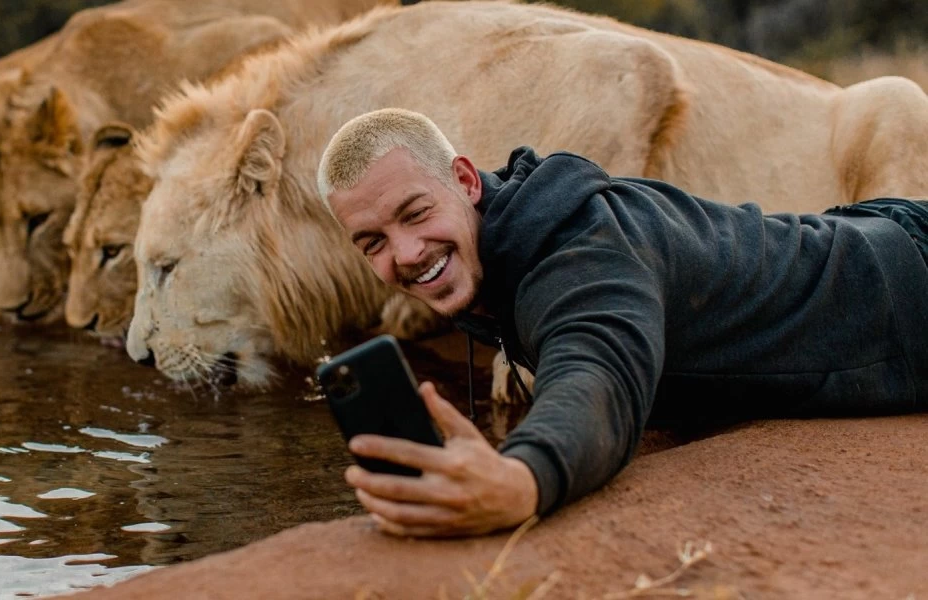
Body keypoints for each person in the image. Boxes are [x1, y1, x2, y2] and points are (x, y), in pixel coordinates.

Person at [316, 108, 928, 538]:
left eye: (415, 213)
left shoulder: (579, 251)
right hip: (863, 235)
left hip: (909, 287)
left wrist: (525, 476)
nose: (406, 253)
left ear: (466, 181)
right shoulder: (494, 254)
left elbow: (596, 366)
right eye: (372, 242)